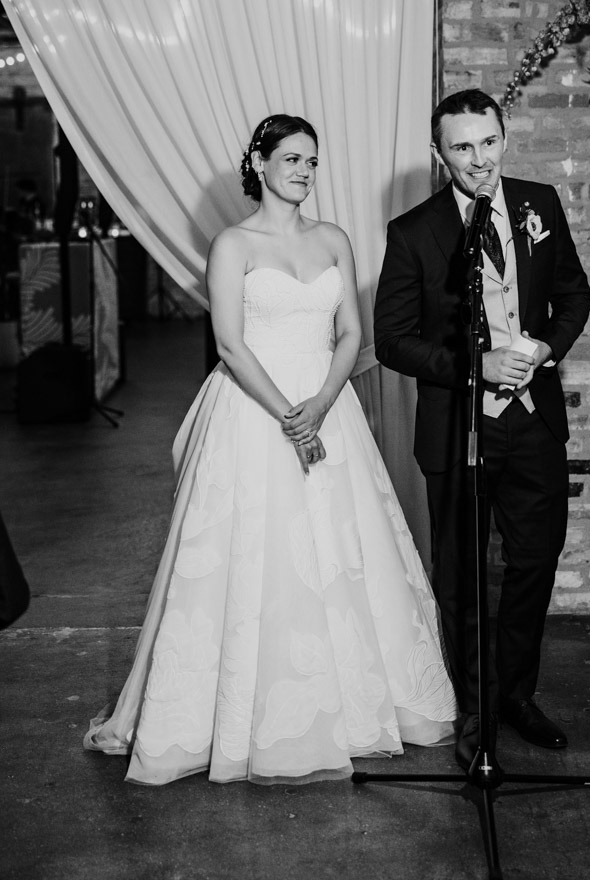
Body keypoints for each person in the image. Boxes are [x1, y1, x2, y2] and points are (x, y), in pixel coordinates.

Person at [84, 114, 455, 785]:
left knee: (344, 555)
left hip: (328, 406)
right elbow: (230, 343)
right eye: (290, 158)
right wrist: (290, 415)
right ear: (257, 163)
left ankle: (351, 709)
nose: (304, 172)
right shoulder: (233, 244)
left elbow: (350, 334)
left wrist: (319, 405)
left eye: (312, 161)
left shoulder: (335, 240)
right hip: (254, 413)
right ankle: (229, 719)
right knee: (254, 559)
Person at [373, 89, 590, 770]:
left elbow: (574, 296)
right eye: (462, 147)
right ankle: (473, 714)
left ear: (504, 137)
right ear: (439, 154)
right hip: (458, 431)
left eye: (488, 142)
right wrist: (477, 364)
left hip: (532, 425)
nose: (479, 159)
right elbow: (392, 341)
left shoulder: (538, 205)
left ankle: (515, 697)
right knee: (464, 577)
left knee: (532, 563)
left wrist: (543, 350)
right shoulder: (414, 231)